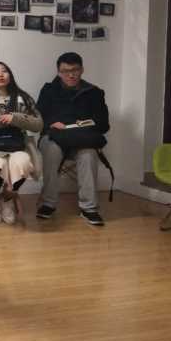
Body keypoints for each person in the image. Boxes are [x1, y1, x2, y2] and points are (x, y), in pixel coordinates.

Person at [36, 52, 109, 225]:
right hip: (55, 137)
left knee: (89, 154)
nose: (71, 75)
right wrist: (51, 124)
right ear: (58, 72)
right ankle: (48, 203)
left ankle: (89, 208)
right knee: (52, 150)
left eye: (75, 70)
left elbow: (104, 124)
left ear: (82, 70)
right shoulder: (48, 90)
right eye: (65, 71)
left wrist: (84, 125)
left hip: (83, 139)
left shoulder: (94, 92)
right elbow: (38, 119)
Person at [0, 62, 42, 225]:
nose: (0, 74)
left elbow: (38, 124)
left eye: (4, 71)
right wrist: (0, 121)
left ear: (10, 75)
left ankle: (8, 197)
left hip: (16, 145)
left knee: (23, 162)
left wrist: (16, 118)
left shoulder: (23, 98)